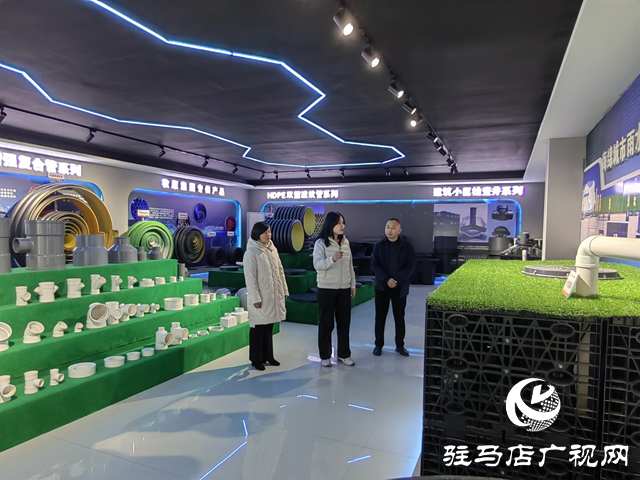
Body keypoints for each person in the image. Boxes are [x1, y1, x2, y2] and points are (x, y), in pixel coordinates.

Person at [243, 221, 289, 371]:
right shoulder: (251, 253)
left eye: (269, 232)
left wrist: (284, 290)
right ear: (257, 235)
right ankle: (256, 359)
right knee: (258, 328)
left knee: (269, 327)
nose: (268, 235)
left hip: (273, 295)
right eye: (265, 233)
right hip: (261, 297)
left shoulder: (272, 249)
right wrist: (255, 298)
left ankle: (268, 356)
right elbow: (250, 278)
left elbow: (280, 271)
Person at [313, 212, 356, 367]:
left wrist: (352, 284)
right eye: (338, 222)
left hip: (344, 288)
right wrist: (332, 259)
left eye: (343, 222)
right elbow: (317, 265)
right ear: (330, 224)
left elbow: (350, 265)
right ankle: (325, 356)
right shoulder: (321, 243)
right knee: (326, 324)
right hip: (326, 289)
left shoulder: (346, 242)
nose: (341, 225)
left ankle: (344, 354)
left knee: (344, 323)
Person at [371, 218, 415, 357]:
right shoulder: (379, 245)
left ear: (399, 231)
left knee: (399, 317)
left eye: (393, 228)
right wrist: (386, 279)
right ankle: (378, 345)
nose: (389, 230)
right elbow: (375, 264)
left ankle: (400, 345)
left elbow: (410, 266)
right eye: (387, 227)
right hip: (382, 287)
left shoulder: (407, 246)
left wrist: (396, 280)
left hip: (399, 288)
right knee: (380, 317)